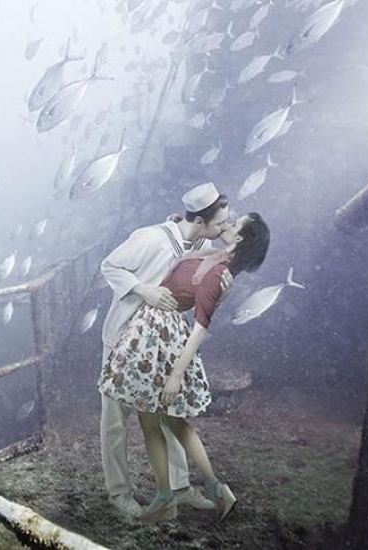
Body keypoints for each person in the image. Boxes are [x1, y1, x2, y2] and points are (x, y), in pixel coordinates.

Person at [98, 212, 270, 524]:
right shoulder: (214, 254)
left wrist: (176, 375)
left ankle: (174, 496)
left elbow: (201, 327)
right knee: (170, 420)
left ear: (240, 238)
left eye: (234, 224)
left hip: (160, 340)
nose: (227, 224)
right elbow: (184, 254)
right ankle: (200, 491)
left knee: (156, 421)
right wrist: (177, 225)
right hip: (151, 333)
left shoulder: (220, 274)